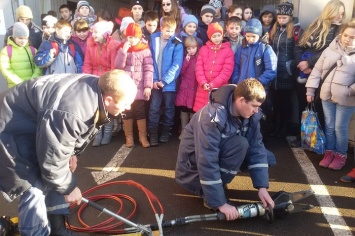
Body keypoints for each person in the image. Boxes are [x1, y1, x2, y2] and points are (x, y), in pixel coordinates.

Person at [0, 69, 137, 235]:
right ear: (108, 100)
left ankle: (57, 227)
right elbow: (52, 159)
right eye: (126, 103)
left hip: (35, 125)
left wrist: (71, 153)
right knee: (33, 185)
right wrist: (69, 188)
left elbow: (65, 136)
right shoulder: (72, 110)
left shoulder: (96, 89)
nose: (128, 108)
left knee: (57, 173)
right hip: (9, 131)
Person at [176, 79, 276, 220]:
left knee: (266, 156)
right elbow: (206, 160)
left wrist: (262, 187)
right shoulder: (211, 117)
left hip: (213, 156)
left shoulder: (250, 115)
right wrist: (220, 203)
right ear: (241, 100)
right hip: (192, 170)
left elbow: (256, 148)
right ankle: (210, 195)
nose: (256, 111)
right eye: (254, 106)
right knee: (240, 144)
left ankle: (216, 188)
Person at [291, 0, 345, 147]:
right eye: (338, 13)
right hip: (303, 73)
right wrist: (301, 64)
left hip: (322, 75)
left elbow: (331, 51)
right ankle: (303, 137)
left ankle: (317, 140)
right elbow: (298, 46)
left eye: (342, 13)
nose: (341, 16)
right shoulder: (314, 26)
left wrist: (310, 63)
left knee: (318, 109)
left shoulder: (340, 30)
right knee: (304, 107)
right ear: (329, 11)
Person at [305, 19, 355, 171]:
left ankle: (341, 155)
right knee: (329, 125)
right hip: (326, 95)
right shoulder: (329, 50)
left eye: (352, 37)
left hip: (346, 99)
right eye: (346, 35)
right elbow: (317, 71)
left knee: (340, 127)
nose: (347, 39)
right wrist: (310, 90)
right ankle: (329, 152)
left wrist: (349, 91)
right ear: (341, 34)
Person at [115, 22, 153, 148]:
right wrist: (123, 52)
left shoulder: (145, 50)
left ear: (139, 37)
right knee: (127, 112)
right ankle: (129, 138)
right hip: (126, 88)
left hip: (139, 87)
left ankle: (142, 137)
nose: (132, 40)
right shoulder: (122, 48)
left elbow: (149, 69)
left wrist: (148, 86)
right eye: (130, 37)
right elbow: (118, 66)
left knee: (140, 111)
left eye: (135, 37)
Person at [83, 20, 120, 146]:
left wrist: (108, 81)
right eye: (93, 32)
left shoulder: (113, 45)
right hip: (93, 79)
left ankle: (108, 132)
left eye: (96, 32)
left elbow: (113, 66)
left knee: (106, 107)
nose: (93, 34)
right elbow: (87, 64)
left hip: (107, 79)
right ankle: (97, 133)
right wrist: (87, 79)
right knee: (95, 108)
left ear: (105, 33)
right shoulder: (90, 45)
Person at [268, 2, 303, 138]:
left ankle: (284, 128)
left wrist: (291, 65)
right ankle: (276, 127)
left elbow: (299, 50)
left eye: (284, 17)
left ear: (290, 17)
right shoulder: (275, 29)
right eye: (279, 17)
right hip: (274, 72)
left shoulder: (296, 30)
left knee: (285, 102)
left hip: (286, 72)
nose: (281, 20)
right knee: (276, 102)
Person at [148, 16, 183, 146]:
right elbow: (149, 60)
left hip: (169, 84)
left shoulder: (177, 43)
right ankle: (153, 133)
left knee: (169, 108)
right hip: (155, 82)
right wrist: (154, 80)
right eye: (167, 31)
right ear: (161, 28)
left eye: (172, 31)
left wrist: (165, 81)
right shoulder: (153, 39)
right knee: (154, 108)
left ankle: (165, 132)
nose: (169, 34)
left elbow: (177, 65)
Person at [193, 22, 234, 112]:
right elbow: (199, 67)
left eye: (219, 35)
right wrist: (203, 82)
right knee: (201, 113)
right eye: (214, 36)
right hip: (203, 88)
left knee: (216, 113)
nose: (216, 38)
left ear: (222, 35)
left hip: (219, 87)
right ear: (210, 37)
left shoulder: (228, 51)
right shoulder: (204, 49)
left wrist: (213, 84)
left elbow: (226, 71)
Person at [0, 22, 42, 88]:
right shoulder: (6, 51)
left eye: (25, 38)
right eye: (20, 38)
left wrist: (32, 80)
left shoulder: (33, 50)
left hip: (31, 85)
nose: (23, 41)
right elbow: (6, 69)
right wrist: (20, 82)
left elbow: (38, 66)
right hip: (15, 86)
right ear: (14, 37)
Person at [175, 36, 199, 140]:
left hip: (195, 88)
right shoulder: (185, 58)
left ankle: (191, 132)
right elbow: (181, 72)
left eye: (193, 48)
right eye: (189, 48)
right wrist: (186, 61)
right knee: (184, 109)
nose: (191, 50)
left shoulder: (199, 57)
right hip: (185, 88)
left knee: (193, 110)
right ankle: (184, 130)